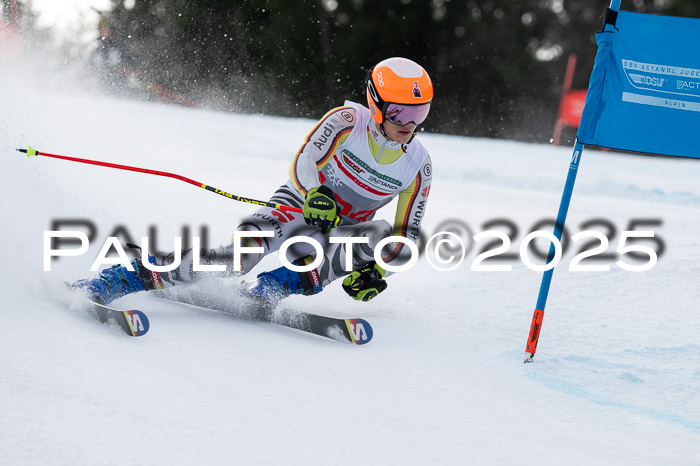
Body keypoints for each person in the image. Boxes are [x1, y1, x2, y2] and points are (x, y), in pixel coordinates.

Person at [74, 57, 434, 306]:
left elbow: (407, 233)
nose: (409, 123)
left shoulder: (419, 166)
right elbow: (305, 160)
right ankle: (127, 277)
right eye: (399, 111)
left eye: (420, 112)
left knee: (381, 234)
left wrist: (377, 269)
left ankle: (275, 286)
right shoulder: (346, 121)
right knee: (236, 260)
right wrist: (315, 194)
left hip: (342, 231)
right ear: (375, 102)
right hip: (296, 205)